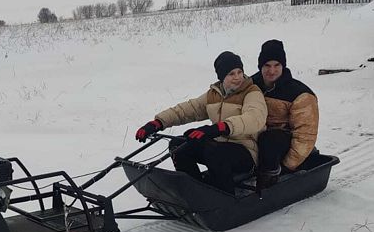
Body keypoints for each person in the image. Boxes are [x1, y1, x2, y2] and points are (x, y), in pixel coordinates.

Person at [135, 51, 267, 194]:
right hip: (218, 146)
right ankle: (193, 190)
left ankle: (224, 196)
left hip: (246, 151)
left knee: (215, 153)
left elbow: (254, 118)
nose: (237, 77)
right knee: (178, 145)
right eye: (231, 74)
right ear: (222, 77)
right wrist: (158, 123)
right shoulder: (214, 94)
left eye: (239, 72)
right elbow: (188, 110)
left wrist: (221, 127)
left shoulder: (252, 92)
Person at [251, 39, 319, 187]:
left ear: (283, 66)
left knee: (269, 139)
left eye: (276, 65)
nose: (271, 71)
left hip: (281, 144)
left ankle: (268, 180)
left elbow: (305, 135)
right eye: (267, 65)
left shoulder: (300, 94)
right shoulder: (251, 85)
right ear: (260, 66)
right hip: (256, 137)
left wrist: (288, 165)